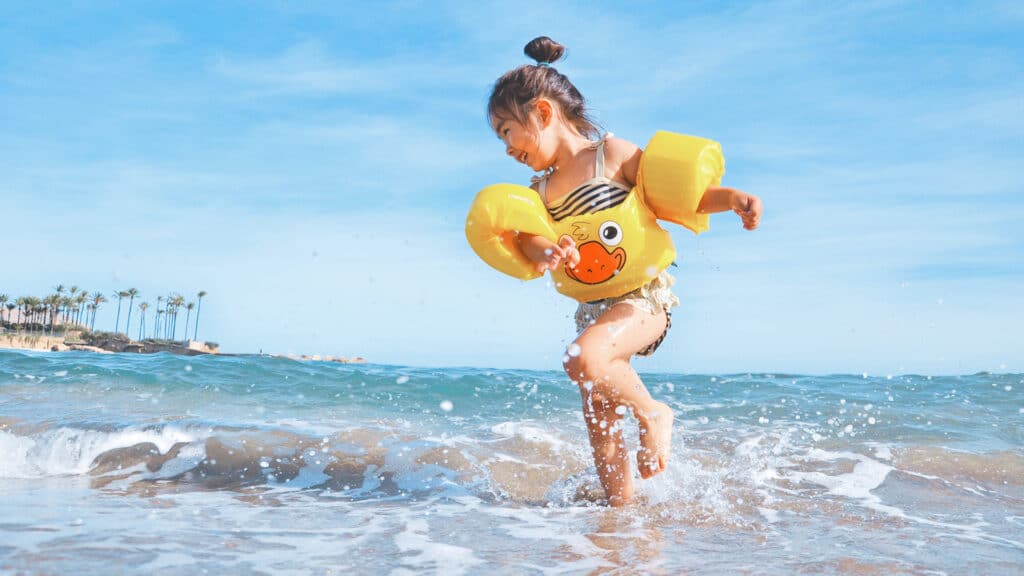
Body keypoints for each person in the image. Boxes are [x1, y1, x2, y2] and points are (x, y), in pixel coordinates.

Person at [484, 36, 762, 506]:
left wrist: (732, 198)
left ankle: (654, 415)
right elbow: (529, 239)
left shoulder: (609, 156)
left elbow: (677, 196)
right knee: (599, 418)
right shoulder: (540, 189)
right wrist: (548, 250)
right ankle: (619, 520)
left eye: (507, 131)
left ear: (544, 113)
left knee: (581, 360)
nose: (507, 148)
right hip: (592, 310)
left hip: (644, 299)